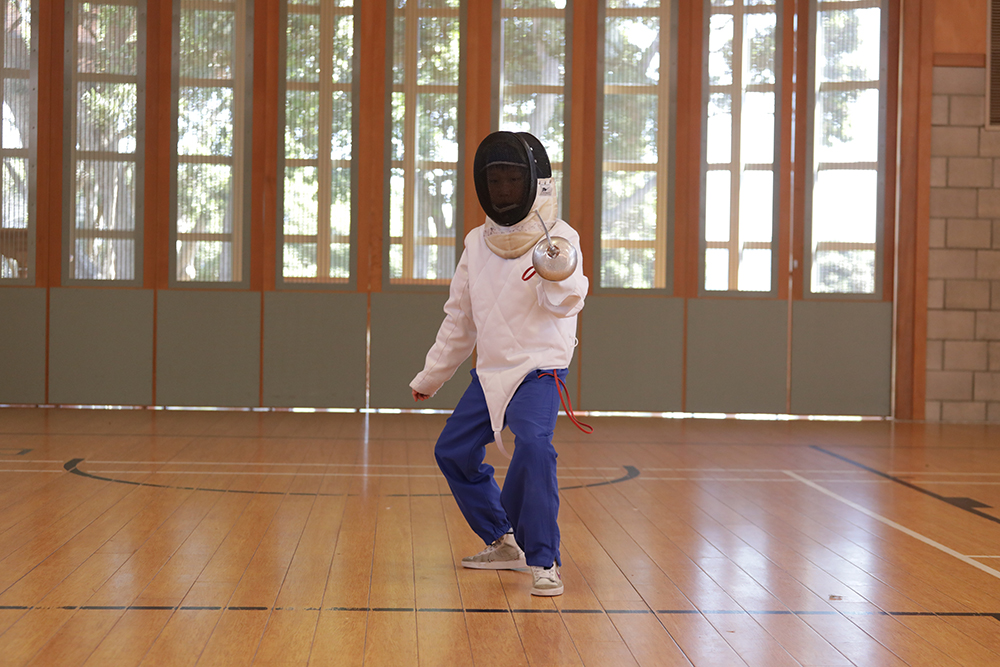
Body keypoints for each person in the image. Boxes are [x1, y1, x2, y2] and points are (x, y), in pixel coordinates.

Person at [410, 131, 588, 597]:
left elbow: (566, 305)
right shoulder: (476, 242)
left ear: (534, 182)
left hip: (538, 370)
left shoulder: (561, 237)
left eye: (513, 180)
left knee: (533, 445)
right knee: (452, 451)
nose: (504, 190)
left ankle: (543, 558)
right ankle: (502, 539)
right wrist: (432, 376)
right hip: (491, 373)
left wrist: (558, 271)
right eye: (497, 181)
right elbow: (460, 319)